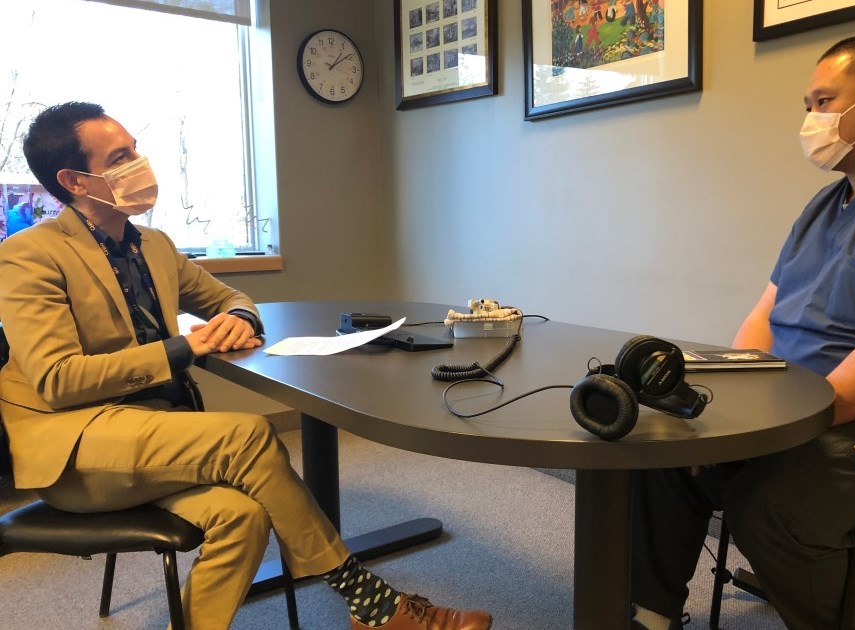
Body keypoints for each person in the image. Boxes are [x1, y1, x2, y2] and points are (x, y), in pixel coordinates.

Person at [0, 102, 493, 630]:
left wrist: (236, 315)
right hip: (77, 450)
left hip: (155, 436)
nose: (138, 165)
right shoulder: (29, 255)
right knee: (248, 437)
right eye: (120, 157)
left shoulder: (153, 246)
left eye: (135, 151)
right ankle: (369, 603)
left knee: (244, 516)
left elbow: (229, 296)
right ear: (75, 179)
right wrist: (185, 348)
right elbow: (57, 380)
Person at [629, 36, 855, 630]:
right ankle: (648, 617)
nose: (812, 120)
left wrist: (768, 431)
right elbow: (762, 318)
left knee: (773, 505)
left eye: (824, 100)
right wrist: (723, 408)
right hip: (807, 416)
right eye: (808, 105)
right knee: (661, 444)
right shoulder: (824, 205)